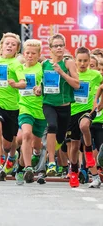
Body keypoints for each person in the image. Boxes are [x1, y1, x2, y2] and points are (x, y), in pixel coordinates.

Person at [0, 32, 26, 182]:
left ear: (17, 49)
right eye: (7, 43)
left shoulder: (16, 64)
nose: (9, 46)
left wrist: (16, 84)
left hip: (12, 106)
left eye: (13, 45)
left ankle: (10, 157)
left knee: (8, 144)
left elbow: (23, 82)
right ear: (1, 46)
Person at [41, 33, 80, 178]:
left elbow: (76, 84)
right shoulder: (44, 64)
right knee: (52, 126)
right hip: (48, 103)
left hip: (64, 106)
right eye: (56, 46)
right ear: (50, 48)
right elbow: (41, 84)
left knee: (60, 138)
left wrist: (61, 72)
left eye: (61, 45)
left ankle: (47, 151)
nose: (59, 48)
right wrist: (38, 89)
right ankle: (51, 162)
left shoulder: (68, 63)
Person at [67, 47, 101, 188]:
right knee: (74, 146)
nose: (82, 63)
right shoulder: (71, 74)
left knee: (85, 125)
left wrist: (98, 103)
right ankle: (74, 170)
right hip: (71, 112)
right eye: (80, 60)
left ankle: (88, 151)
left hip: (87, 110)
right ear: (75, 60)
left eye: (85, 61)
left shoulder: (95, 75)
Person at [16, 39, 45, 185]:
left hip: (40, 110)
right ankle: (28, 168)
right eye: (27, 53)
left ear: (39, 54)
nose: (30, 56)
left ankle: (22, 164)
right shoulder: (19, 69)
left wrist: (41, 88)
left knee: (37, 144)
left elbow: (47, 84)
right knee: (26, 134)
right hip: (24, 108)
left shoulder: (42, 69)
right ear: (23, 53)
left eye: (33, 53)